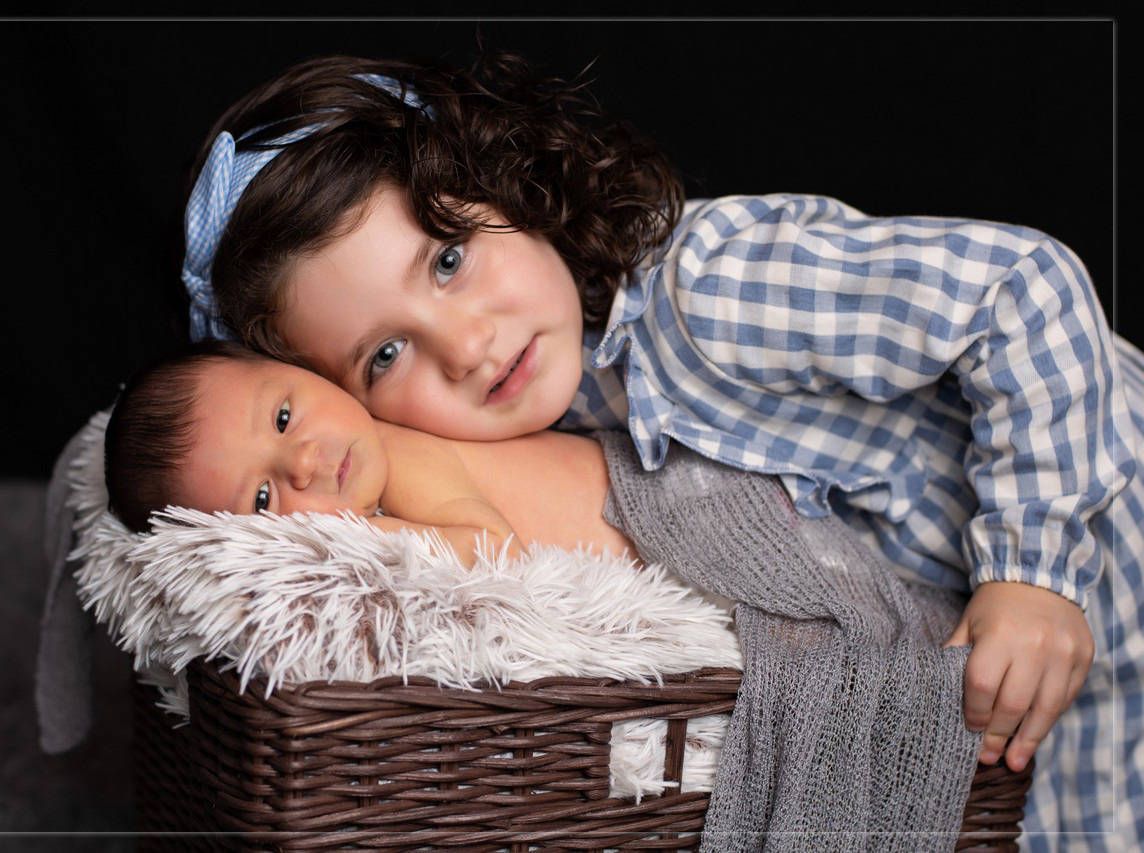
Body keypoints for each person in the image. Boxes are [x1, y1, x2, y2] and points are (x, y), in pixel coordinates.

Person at [179, 53, 1141, 848]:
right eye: (386, 354)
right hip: (998, 641)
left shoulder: (709, 288)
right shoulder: (525, 417)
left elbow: (1025, 290)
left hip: (1100, 512)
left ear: (504, 180)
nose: (466, 347)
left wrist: (1034, 574)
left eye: (449, 259)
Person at [103, 340, 636, 569]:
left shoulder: (397, 452)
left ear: (301, 368)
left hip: (655, 511)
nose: (302, 463)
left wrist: (366, 535)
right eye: (263, 499)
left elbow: (498, 553)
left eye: (283, 418)